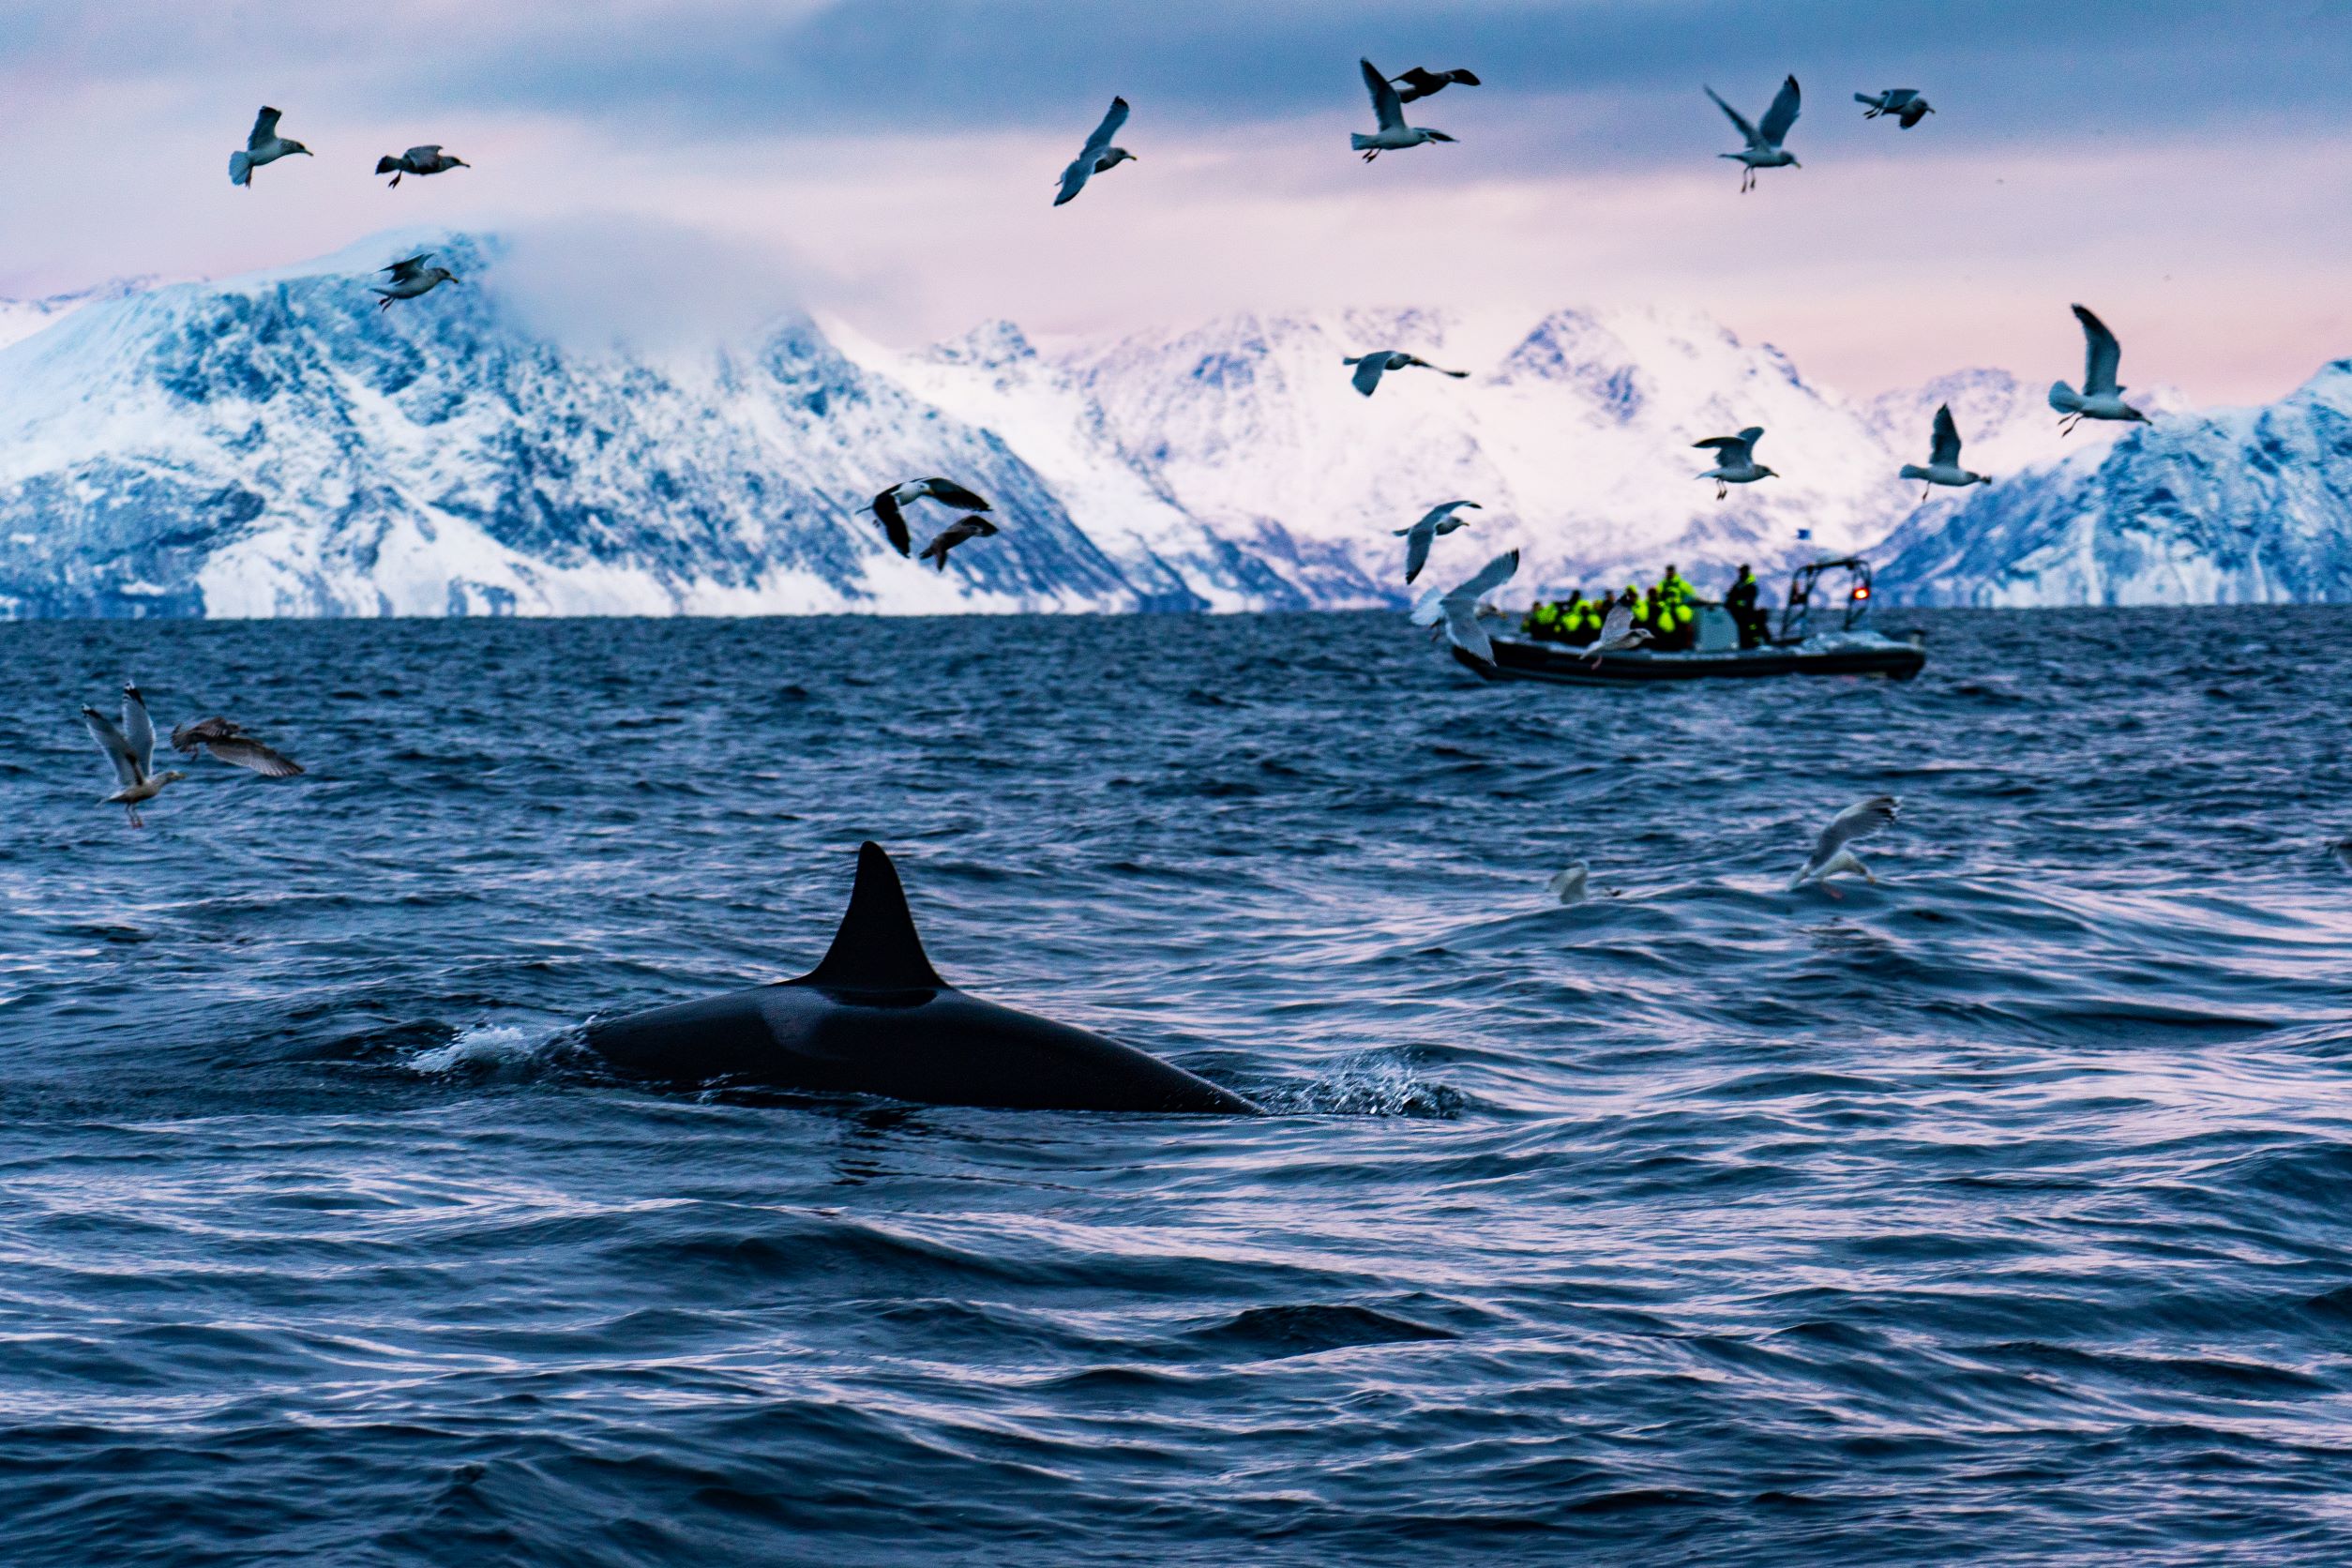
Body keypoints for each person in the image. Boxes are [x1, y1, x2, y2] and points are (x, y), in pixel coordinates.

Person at [1725, 563, 1766, 649]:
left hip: (1747, 611)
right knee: (1742, 628)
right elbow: (1733, 594)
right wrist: (1729, 601)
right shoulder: (1739, 583)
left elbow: (1749, 598)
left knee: (1751, 627)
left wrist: (1736, 602)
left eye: (1742, 571)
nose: (1741, 573)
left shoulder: (1750, 585)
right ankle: (1745, 644)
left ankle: (1755, 644)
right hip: (1738, 612)